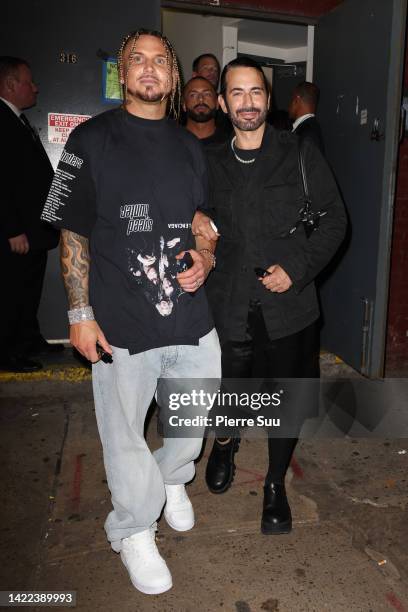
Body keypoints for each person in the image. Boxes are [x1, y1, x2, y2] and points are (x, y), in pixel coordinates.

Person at [41, 29, 221, 595]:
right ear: (123, 73)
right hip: (122, 319)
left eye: (160, 61)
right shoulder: (89, 140)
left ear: (172, 77)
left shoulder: (191, 144)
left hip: (191, 316)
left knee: (191, 425)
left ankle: (171, 480)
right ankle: (133, 529)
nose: (149, 69)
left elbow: (203, 221)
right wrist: (78, 312)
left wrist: (208, 256)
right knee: (124, 436)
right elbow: (71, 229)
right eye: (136, 60)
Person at [192, 57, 346, 535]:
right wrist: (198, 225)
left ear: (268, 99)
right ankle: (225, 441)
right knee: (231, 387)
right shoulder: (209, 161)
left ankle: (276, 483)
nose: (247, 102)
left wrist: (296, 270)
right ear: (222, 103)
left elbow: (336, 219)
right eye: (236, 93)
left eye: (255, 92)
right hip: (229, 302)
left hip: (289, 306)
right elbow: (196, 219)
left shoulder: (298, 152)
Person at [0, 56, 62, 373]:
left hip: (32, 229)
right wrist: (12, 230)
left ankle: (29, 339)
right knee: (12, 293)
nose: (35, 88)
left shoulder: (18, 119)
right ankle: (9, 352)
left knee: (28, 290)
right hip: (18, 233)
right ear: (11, 85)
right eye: (29, 81)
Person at [183, 76, 226, 145]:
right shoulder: (171, 141)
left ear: (217, 103)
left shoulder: (229, 144)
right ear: (184, 105)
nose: (201, 99)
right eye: (193, 95)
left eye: (207, 94)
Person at [288, 81, 325, 153]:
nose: (289, 105)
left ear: (297, 100)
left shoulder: (307, 133)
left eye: (291, 99)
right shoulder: (312, 128)